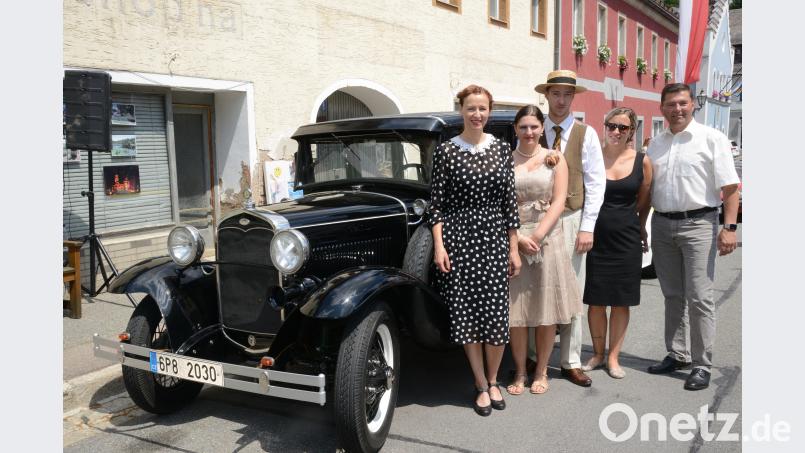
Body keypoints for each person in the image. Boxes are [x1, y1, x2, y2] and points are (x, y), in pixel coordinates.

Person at [429, 84, 521, 415]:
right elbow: (436, 205)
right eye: (471, 108)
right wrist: (439, 246)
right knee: (467, 315)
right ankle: (481, 384)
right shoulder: (446, 152)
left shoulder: (501, 149)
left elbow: (510, 203)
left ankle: (495, 380)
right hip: (459, 239)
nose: (477, 114)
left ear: (489, 111)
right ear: (461, 111)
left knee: (496, 317)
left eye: (482, 108)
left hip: (495, 239)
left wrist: (513, 247)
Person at [645, 83, 740, 391]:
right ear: (662, 108)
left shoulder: (712, 139)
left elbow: (729, 188)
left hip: (699, 224)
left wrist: (729, 228)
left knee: (699, 297)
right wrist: (638, 225)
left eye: (683, 103)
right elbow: (648, 189)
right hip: (662, 225)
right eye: (671, 104)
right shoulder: (656, 144)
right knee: (672, 295)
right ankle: (678, 353)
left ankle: (701, 364)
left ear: (693, 105)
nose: (677, 109)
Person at [530, 70, 606, 387]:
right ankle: (535, 359)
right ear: (547, 96)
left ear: (573, 98)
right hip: (537, 220)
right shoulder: (534, 130)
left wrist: (587, 227)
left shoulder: (585, 134)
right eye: (555, 93)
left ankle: (570, 360)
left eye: (566, 94)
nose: (561, 100)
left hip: (572, 219)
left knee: (572, 290)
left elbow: (595, 183)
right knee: (536, 288)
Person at [507, 105, 582, 395]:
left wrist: (536, 236)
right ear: (515, 129)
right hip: (514, 238)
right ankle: (520, 372)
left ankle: (541, 372)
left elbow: (560, 200)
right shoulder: (506, 160)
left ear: (542, 128)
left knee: (545, 309)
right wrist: (518, 240)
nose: (528, 132)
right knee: (517, 310)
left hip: (547, 237)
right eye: (523, 127)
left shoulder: (555, 159)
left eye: (533, 127)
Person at [581, 107, 653, 379]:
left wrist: (640, 228)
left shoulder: (642, 161)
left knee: (621, 302)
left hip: (626, 238)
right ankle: (597, 353)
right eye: (611, 125)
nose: (615, 131)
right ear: (604, 126)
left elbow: (645, 200)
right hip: (593, 238)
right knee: (596, 301)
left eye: (622, 127)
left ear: (631, 132)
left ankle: (613, 357)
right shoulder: (592, 156)